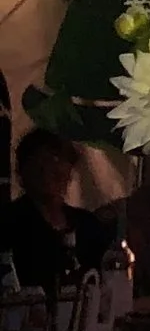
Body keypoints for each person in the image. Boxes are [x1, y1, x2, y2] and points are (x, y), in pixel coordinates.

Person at [3, 126, 111, 301]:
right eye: (39, 162)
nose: (48, 169)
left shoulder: (88, 226)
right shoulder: (9, 222)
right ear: (22, 171)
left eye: (56, 160)